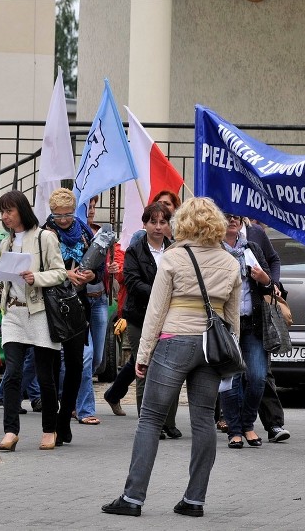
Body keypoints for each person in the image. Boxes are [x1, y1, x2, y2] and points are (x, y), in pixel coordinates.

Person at [102, 197, 240, 518]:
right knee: (204, 420)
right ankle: (194, 500)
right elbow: (233, 321)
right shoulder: (231, 262)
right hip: (211, 345)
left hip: (174, 339)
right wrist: (230, 359)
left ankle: (133, 497)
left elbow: (156, 311)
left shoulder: (174, 257)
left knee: (150, 418)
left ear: (184, 223)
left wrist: (144, 352)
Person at [0, 189, 66, 452]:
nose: (5, 217)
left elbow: (60, 273)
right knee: (12, 373)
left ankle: (50, 429)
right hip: (13, 313)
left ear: (21, 210)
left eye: (9, 211)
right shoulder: (6, 242)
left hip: (39, 313)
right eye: (2, 212)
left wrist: (36, 277)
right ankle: (10, 431)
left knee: (45, 376)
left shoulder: (45, 237)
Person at [104, 203, 175, 437]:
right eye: (152, 222)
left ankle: (168, 422)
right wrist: (161, 291)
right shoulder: (135, 250)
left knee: (170, 367)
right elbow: (133, 282)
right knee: (144, 364)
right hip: (140, 316)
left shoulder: (174, 250)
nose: (157, 226)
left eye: (162, 222)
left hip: (170, 317)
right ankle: (149, 422)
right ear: (144, 224)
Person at [42, 188, 103, 438]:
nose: (64, 220)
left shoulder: (86, 233)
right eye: (58, 216)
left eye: (67, 214)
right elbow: (38, 268)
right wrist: (63, 274)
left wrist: (91, 275)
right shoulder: (44, 233)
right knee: (53, 365)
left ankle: (66, 416)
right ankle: (53, 418)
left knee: (77, 364)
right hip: (51, 305)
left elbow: (98, 268)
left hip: (78, 305)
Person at [219, 213, 274, 449]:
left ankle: (248, 422)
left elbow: (269, 285)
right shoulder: (214, 251)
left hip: (252, 323)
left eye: (237, 217)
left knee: (258, 377)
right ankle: (235, 429)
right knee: (230, 378)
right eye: (227, 217)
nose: (232, 220)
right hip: (226, 325)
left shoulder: (251, 249)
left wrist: (265, 279)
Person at [245, 219, 291, 443]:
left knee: (261, 373)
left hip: (256, 312)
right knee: (229, 371)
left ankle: (274, 424)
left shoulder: (255, 234)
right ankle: (231, 421)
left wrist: (272, 282)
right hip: (230, 316)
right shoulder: (215, 232)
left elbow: (272, 260)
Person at [76, 196, 108, 426]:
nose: (92, 211)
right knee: (85, 357)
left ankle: (71, 396)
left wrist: (103, 272)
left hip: (99, 300)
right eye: (88, 206)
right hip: (78, 302)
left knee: (96, 358)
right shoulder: (72, 234)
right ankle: (84, 408)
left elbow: (103, 271)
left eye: (95, 207)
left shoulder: (100, 235)